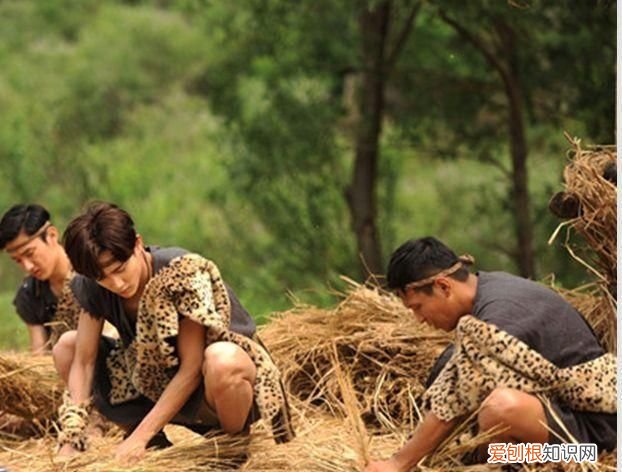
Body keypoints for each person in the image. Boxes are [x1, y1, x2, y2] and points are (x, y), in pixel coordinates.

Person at [53, 202, 293, 464]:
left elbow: (191, 369)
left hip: (212, 388)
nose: (116, 283)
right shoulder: (93, 284)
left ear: (136, 244)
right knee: (68, 345)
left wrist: (141, 437)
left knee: (222, 359)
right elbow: (84, 361)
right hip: (150, 379)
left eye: (120, 269)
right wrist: (72, 434)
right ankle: (149, 441)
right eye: (103, 278)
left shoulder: (180, 274)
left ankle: (231, 449)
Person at [364, 237, 616, 472]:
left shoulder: (500, 315)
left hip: (593, 446)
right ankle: (502, 457)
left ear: (443, 286)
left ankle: (507, 462)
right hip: (561, 419)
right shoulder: (489, 287)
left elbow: (453, 401)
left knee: (500, 408)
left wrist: (398, 463)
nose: (419, 319)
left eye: (417, 307)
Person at [0, 204, 79, 352]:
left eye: (30, 253)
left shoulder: (91, 271)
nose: (28, 267)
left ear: (52, 236)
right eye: (18, 260)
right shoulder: (29, 293)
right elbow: (40, 353)